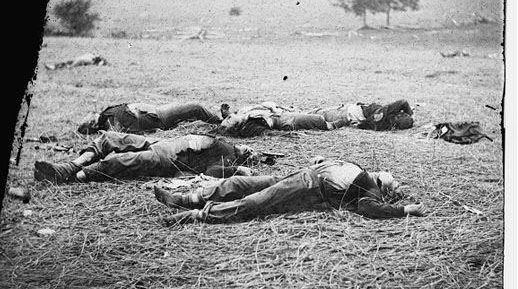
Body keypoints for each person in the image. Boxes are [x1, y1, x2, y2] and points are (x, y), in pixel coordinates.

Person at [154, 156, 426, 225]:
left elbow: (370, 208)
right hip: (302, 175)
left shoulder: (370, 189)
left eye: (392, 182)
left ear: (383, 187)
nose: (391, 176)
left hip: (307, 187)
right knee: (242, 183)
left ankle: (195, 215)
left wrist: (404, 210)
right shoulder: (361, 170)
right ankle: (185, 199)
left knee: (255, 201)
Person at [34, 131, 259, 184]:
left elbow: (210, 175)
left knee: (121, 161)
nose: (247, 149)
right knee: (110, 137)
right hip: (159, 144)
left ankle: (71, 175)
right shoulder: (223, 142)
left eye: (249, 153)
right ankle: (73, 164)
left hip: (165, 160)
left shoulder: (227, 158)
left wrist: (238, 170)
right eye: (249, 147)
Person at [78, 102, 223, 135]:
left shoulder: (108, 116)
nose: (93, 113)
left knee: (190, 112)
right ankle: (221, 122)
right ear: (93, 123)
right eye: (91, 117)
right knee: (195, 108)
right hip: (157, 116)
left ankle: (217, 115)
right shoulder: (110, 123)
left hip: (154, 112)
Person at [218, 101, 348, 137]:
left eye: (228, 117)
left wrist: (226, 115)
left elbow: (232, 117)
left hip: (285, 112)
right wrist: (290, 135)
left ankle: (342, 113)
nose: (229, 117)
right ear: (235, 127)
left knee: (320, 111)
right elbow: (269, 133)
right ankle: (346, 121)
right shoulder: (249, 126)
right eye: (228, 119)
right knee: (320, 120)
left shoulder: (242, 114)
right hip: (289, 120)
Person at [307, 99, 414, 131]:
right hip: (348, 113)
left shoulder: (383, 115)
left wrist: (410, 115)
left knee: (315, 115)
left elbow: (403, 102)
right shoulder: (384, 125)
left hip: (345, 113)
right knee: (316, 114)